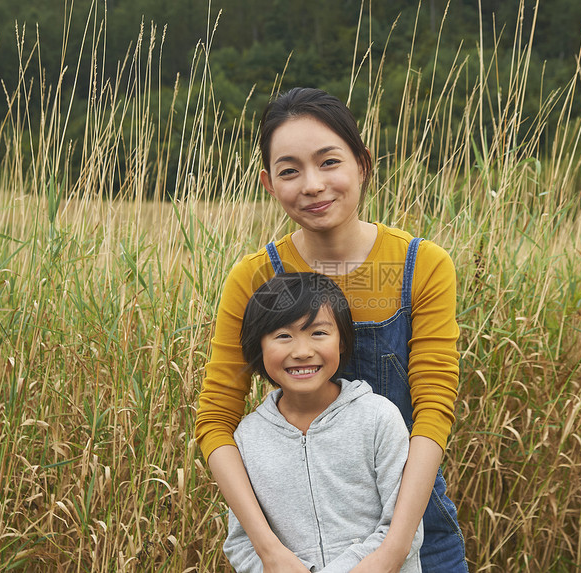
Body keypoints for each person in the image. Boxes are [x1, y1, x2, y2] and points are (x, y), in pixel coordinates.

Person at [195, 87, 466, 572]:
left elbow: (434, 409)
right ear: (268, 183)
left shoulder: (419, 266)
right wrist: (270, 551)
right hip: (294, 542)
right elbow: (215, 420)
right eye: (290, 170)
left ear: (362, 163)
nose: (313, 185)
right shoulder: (256, 277)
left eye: (329, 162)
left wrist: (392, 552)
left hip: (413, 524)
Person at [223, 272, 423, 572]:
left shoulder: (378, 418)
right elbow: (240, 542)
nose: (302, 351)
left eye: (318, 333)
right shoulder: (248, 439)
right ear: (258, 347)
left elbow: (402, 527)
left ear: (342, 341)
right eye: (283, 336)